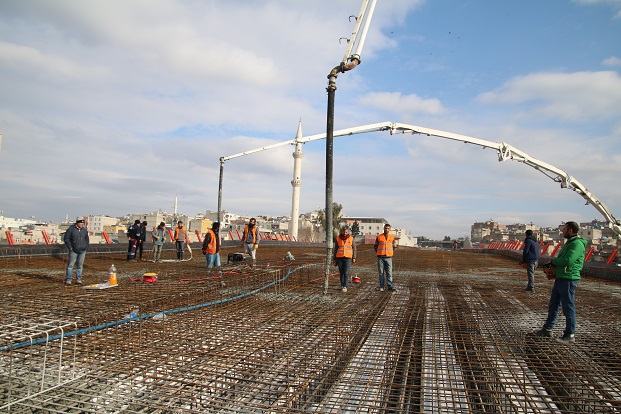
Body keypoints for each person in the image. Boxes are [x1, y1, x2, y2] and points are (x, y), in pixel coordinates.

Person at [533, 221, 586, 343]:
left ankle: (570, 335)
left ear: (571, 230)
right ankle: (547, 329)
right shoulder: (569, 243)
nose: (562, 231)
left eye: (564, 229)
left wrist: (553, 262)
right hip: (561, 278)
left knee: (568, 307)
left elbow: (568, 261)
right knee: (554, 304)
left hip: (569, 279)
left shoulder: (577, 244)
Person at [63, 218, 90, 285]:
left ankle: (78, 279)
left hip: (82, 250)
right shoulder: (71, 229)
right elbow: (66, 238)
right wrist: (70, 247)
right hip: (73, 250)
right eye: (80, 222)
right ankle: (69, 279)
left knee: (80, 265)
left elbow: (87, 239)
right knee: (70, 265)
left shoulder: (84, 230)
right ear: (77, 222)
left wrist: (85, 246)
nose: (82, 224)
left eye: (82, 223)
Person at [374, 223, 397, 292]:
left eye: (388, 228)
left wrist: (391, 252)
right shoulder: (379, 237)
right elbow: (375, 246)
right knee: (381, 273)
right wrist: (379, 252)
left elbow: (394, 246)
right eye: (385, 228)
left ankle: (390, 286)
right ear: (383, 228)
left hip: (388, 257)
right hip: (380, 257)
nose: (386, 229)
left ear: (389, 229)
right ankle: (382, 286)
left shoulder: (392, 237)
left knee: (389, 273)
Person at [333, 226, 356, 292]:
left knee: (346, 272)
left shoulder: (351, 238)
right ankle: (342, 284)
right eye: (344, 232)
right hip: (339, 258)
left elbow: (354, 248)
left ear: (348, 232)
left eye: (346, 232)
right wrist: (334, 258)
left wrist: (354, 257)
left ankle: (345, 286)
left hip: (348, 258)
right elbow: (335, 249)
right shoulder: (338, 239)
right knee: (341, 272)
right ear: (341, 231)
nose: (345, 233)